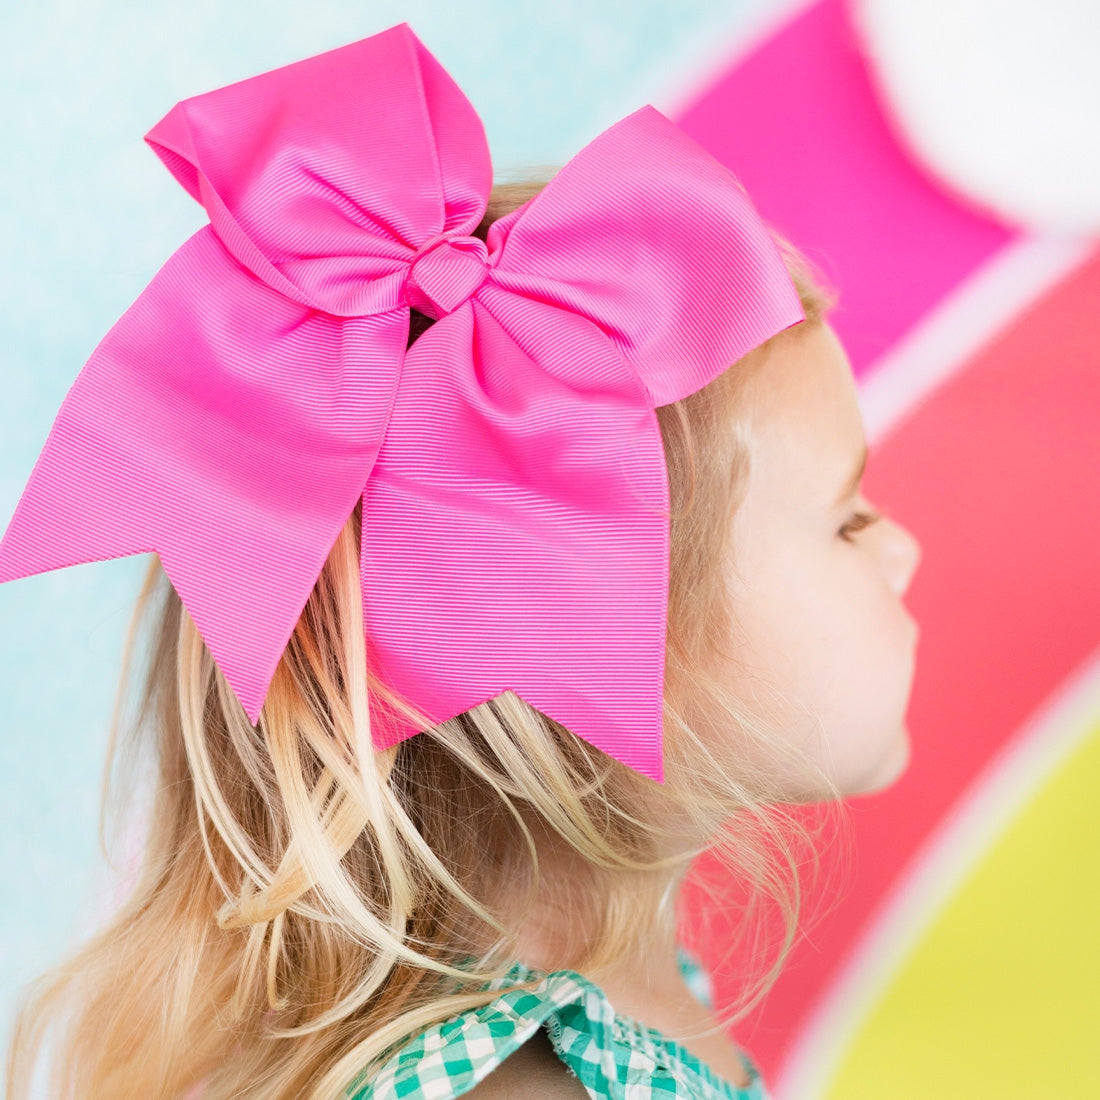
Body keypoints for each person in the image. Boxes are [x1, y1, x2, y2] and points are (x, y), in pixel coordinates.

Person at [0, 24, 921, 1100]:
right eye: (848, 517)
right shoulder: (527, 1086)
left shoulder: (623, 992)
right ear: (601, 634)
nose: (901, 549)